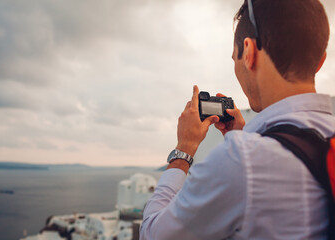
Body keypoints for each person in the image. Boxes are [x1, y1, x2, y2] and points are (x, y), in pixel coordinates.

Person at [140, 0, 335, 239]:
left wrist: (184, 150)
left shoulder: (243, 161)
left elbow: (153, 233)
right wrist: (241, 136)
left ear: (249, 52)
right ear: (321, 60)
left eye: (235, 58)